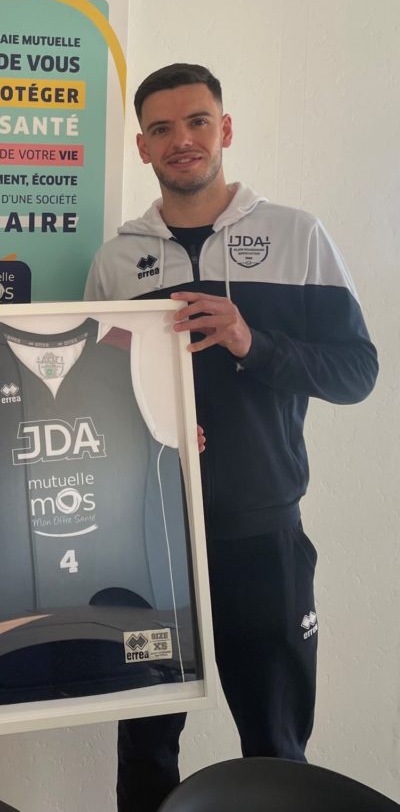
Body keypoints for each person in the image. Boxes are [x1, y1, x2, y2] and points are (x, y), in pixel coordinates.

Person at [84, 63, 378, 812]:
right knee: (146, 750)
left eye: (197, 121)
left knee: (276, 748)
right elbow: (97, 397)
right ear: (143, 147)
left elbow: (357, 372)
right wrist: (147, 431)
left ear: (226, 129)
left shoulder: (296, 235)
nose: (181, 139)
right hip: (151, 544)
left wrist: (254, 343)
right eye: (161, 128)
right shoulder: (116, 259)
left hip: (262, 535)